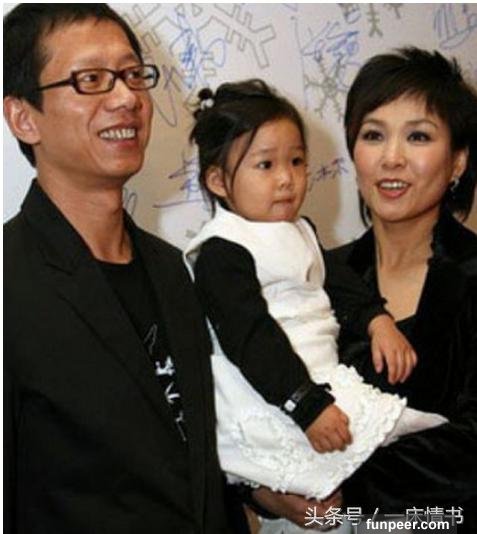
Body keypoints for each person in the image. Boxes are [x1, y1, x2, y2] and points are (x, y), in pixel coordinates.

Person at [3, 4, 250, 533]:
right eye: (91, 80)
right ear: (24, 117)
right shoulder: (9, 281)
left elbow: (186, 455)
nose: (126, 98)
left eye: (133, 75)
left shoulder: (173, 269)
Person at [182, 79, 446, 530]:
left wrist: (378, 321)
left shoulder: (301, 229)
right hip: (275, 391)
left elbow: (338, 284)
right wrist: (305, 405)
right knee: (318, 487)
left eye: (297, 161)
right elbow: (251, 338)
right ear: (218, 181)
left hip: (321, 377)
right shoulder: (222, 251)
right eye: (265, 165)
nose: (287, 178)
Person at [326, 47, 477, 533]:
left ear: (458, 161)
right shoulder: (318, 275)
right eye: (373, 135)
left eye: (418, 136)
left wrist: (320, 477)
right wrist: (265, 490)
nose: (391, 158)